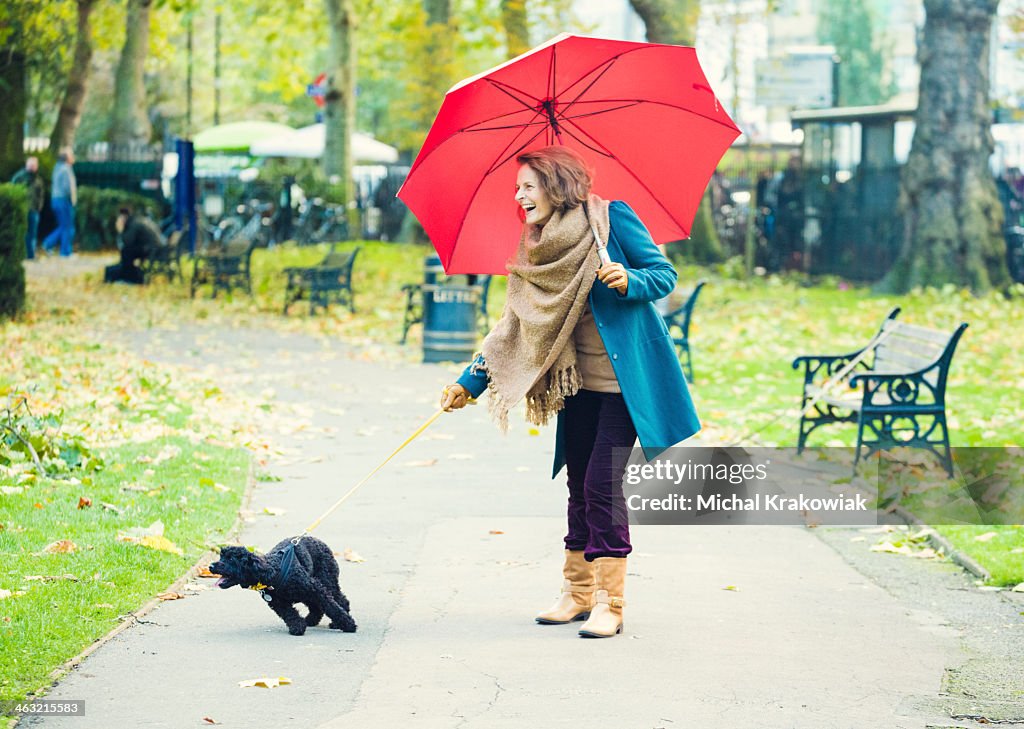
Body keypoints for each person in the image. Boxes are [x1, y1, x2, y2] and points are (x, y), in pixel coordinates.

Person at [439, 146, 700, 639]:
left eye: (527, 187)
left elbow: (664, 275)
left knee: (602, 484)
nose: (519, 197)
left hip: (625, 385)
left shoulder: (611, 220)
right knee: (579, 485)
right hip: (575, 387)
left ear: (555, 185)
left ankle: (611, 602)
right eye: (517, 188)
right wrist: (468, 383)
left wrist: (630, 279)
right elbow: (514, 326)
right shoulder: (535, 247)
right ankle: (577, 593)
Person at [104, 206, 163, 285]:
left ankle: (130, 278)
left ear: (123, 217)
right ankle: (127, 275)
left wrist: (120, 231)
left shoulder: (134, 224)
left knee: (126, 252)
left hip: (152, 250)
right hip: (155, 249)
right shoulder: (137, 220)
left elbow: (127, 242)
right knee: (127, 252)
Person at [41, 148, 77, 257]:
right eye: (71, 155)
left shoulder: (57, 168)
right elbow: (67, 188)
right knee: (67, 227)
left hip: (56, 200)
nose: (73, 157)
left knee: (63, 226)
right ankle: (65, 252)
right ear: (67, 158)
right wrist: (72, 200)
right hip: (64, 200)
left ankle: (48, 243)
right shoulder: (66, 169)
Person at [11, 156, 45, 260]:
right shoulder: (19, 177)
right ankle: (22, 254)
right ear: (26, 164)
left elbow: (41, 194)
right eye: (30, 165)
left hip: (34, 210)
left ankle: (31, 255)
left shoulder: (38, 179)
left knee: (32, 233)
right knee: (23, 233)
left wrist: (39, 206)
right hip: (22, 209)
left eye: (34, 165)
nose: (32, 167)